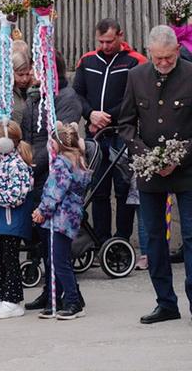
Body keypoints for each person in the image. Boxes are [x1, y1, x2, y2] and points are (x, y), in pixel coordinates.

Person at [115, 25, 192, 324]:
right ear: (149, 53)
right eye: (157, 58)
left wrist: (178, 157)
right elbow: (126, 124)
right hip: (150, 172)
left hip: (186, 171)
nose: (163, 64)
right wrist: (145, 155)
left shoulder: (189, 74)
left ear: (177, 51)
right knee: (155, 239)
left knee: (190, 235)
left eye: (168, 58)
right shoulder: (136, 77)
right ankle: (166, 303)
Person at [74, 19, 146, 245]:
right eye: (101, 41)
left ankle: (122, 239)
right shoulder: (87, 60)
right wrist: (91, 114)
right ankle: (101, 239)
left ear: (121, 35)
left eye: (110, 41)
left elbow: (133, 98)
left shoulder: (135, 61)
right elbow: (77, 94)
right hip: (94, 134)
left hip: (122, 134)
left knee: (123, 188)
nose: (105, 46)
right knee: (98, 189)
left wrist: (108, 118)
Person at [32, 123, 91, 320]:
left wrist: (41, 211)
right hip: (71, 217)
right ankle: (56, 299)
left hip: (60, 217)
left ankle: (73, 301)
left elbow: (54, 192)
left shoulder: (60, 164)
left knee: (58, 260)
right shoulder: (78, 161)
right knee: (58, 258)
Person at [0, 122, 34, 319]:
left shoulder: (17, 165)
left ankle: (13, 300)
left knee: (10, 260)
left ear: (4, 143)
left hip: (11, 222)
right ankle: (2, 297)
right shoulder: (1, 161)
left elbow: (16, 196)